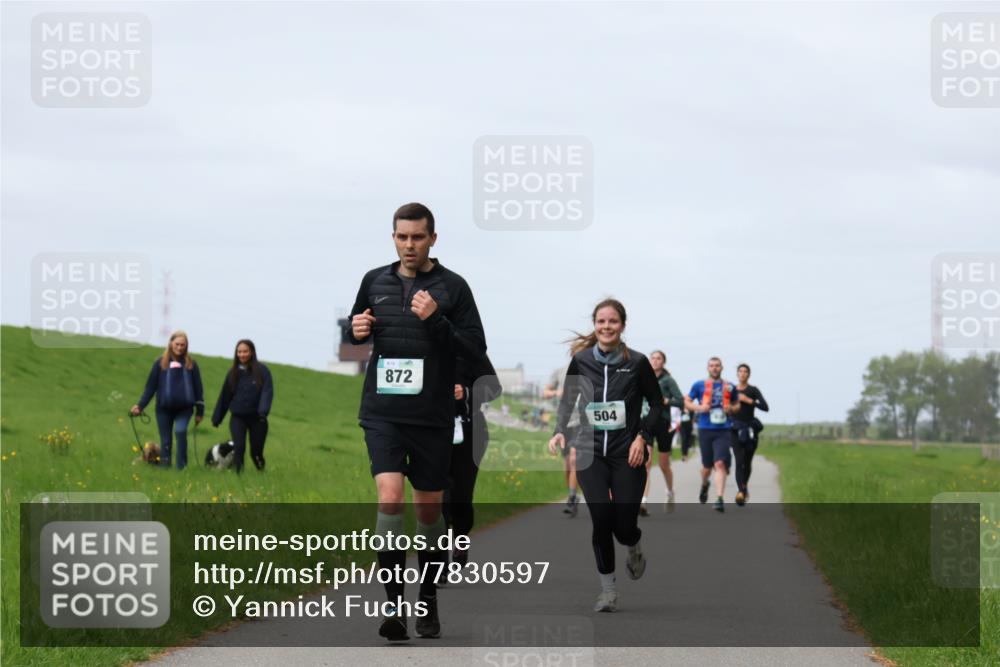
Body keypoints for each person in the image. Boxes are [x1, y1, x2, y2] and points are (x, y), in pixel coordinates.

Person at [349, 202, 487, 641]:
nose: (409, 245)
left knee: (429, 511)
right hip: (383, 412)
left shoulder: (454, 287)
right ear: (393, 237)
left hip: (432, 416)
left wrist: (436, 319)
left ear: (432, 238)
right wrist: (355, 331)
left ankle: (427, 598)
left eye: (418, 237)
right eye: (402, 237)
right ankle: (394, 606)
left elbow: (475, 349)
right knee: (390, 499)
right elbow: (357, 330)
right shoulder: (374, 281)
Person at [548, 298, 664, 612]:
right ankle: (608, 591)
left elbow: (656, 404)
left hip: (627, 454)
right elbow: (568, 399)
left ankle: (634, 544)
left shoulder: (637, 362)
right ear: (595, 325)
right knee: (601, 519)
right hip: (590, 452)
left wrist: (643, 436)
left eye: (613, 321)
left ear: (622, 325)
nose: (606, 326)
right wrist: (559, 430)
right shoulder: (582, 360)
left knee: (623, 527)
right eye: (601, 321)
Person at [442, 354, 502, 565]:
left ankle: (460, 538)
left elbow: (494, 388)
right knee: (438, 496)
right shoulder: (424, 344)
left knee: (461, 495)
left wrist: (467, 392)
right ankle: (438, 560)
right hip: (432, 430)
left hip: (470, 431)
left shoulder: (470, 348)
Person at [131, 331, 205, 470]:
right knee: (166, 441)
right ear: (171, 343)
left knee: (180, 431)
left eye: (183, 345)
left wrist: (200, 412)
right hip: (163, 409)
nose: (180, 347)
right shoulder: (160, 363)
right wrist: (140, 406)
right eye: (177, 344)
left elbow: (198, 390)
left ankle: (181, 468)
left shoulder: (191, 364)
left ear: (186, 346)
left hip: (185, 409)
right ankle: (165, 468)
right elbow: (150, 388)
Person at [684, 357, 739, 513]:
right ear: (708, 368)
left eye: (717, 365)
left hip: (724, 429)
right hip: (705, 428)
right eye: (712, 366)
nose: (714, 368)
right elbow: (687, 402)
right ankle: (704, 484)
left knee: (720, 463)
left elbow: (737, 405)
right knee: (706, 468)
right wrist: (699, 408)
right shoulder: (699, 385)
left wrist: (731, 409)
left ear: (722, 367)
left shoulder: (729, 386)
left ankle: (719, 499)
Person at [211, 339, 274, 473]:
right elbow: (225, 396)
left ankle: (261, 472)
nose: (242, 354)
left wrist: (263, 412)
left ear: (251, 352)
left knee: (256, 452)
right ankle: (238, 476)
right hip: (238, 417)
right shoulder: (232, 373)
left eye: (245, 351)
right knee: (239, 448)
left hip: (258, 419)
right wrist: (217, 418)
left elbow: (267, 392)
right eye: (239, 352)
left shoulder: (262, 371)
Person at [639, 350, 684, 515]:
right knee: (646, 462)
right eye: (652, 358)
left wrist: (667, 401)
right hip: (646, 422)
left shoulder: (668, 380)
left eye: (658, 358)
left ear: (663, 362)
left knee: (664, 464)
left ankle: (670, 492)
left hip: (663, 423)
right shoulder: (643, 377)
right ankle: (643, 501)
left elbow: (680, 401)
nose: (655, 361)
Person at [544, 362, 582, 517]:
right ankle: (573, 495)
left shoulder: (590, 367)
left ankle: (572, 498)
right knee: (567, 464)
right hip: (565, 423)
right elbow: (545, 392)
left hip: (582, 422)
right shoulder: (559, 371)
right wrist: (556, 393)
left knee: (574, 459)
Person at [731, 363, 769, 506]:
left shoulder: (753, 390)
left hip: (750, 429)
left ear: (749, 374)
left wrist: (749, 401)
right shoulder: (731, 389)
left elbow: (765, 407)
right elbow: (724, 406)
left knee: (747, 462)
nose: (742, 373)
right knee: (739, 461)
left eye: (745, 371)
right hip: (735, 429)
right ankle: (741, 492)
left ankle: (744, 486)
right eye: (740, 371)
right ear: (737, 374)